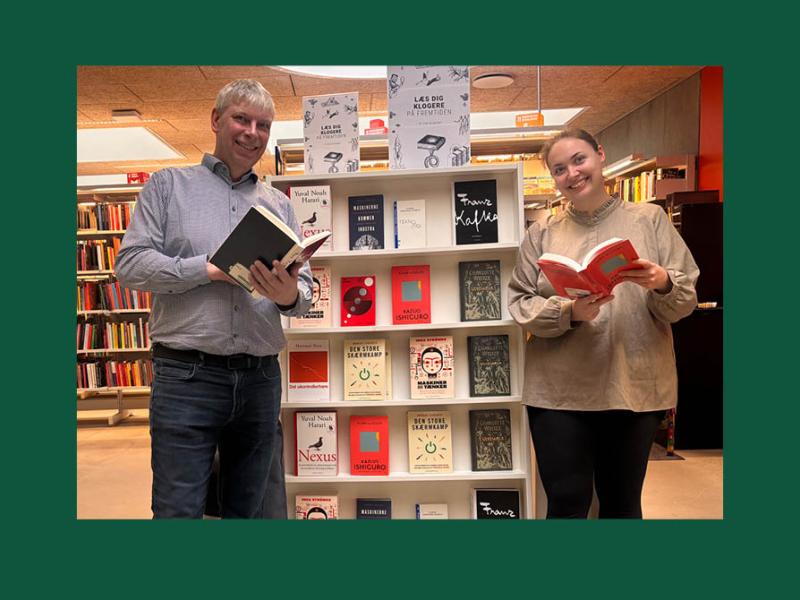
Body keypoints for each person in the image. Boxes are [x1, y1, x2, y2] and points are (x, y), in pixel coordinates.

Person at [115, 79, 313, 519]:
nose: (252, 132)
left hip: (260, 379)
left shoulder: (279, 205)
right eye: (241, 118)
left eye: (263, 124)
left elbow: (306, 294)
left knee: (250, 512)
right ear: (215, 120)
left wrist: (287, 295)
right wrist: (206, 269)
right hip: (188, 377)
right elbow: (129, 265)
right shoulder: (167, 188)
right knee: (177, 510)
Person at [508, 129, 699, 519]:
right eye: (559, 169)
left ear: (600, 156)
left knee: (622, 504)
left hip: (633, 383)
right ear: (553, 178)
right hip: (558, 392)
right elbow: (519, 300)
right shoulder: (541, 232)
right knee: (565, 502)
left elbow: (684, 302)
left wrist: (662, 282)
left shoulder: (651, 220)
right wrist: (568, 313)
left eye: (579, 160)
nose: (572, 174)